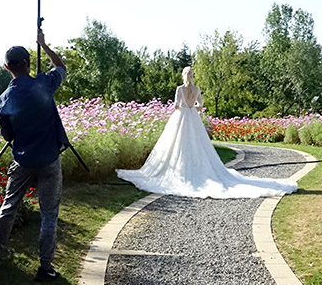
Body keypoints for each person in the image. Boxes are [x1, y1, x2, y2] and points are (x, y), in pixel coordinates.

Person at [116, 66, 297, 198]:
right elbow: (200, 105)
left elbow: (176, 106)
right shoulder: (196, 89)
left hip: (181, 118)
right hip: (193, 117)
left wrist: (183, 106)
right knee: (197, 144)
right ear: (192, 75)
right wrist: (193, 105)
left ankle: (181, 170)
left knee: (176, 144)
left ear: (183, 75)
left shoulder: (180, 89)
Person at [0, 29, 69, 282]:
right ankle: (45, 268)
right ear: (28, 64)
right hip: (49, 159)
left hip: (22, 160)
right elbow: (61, 66)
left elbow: (7, 136)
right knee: (49, 214)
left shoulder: (3, 101)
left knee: (8, 207)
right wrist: (44, 45)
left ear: (6, 67)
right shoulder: (43, 83)